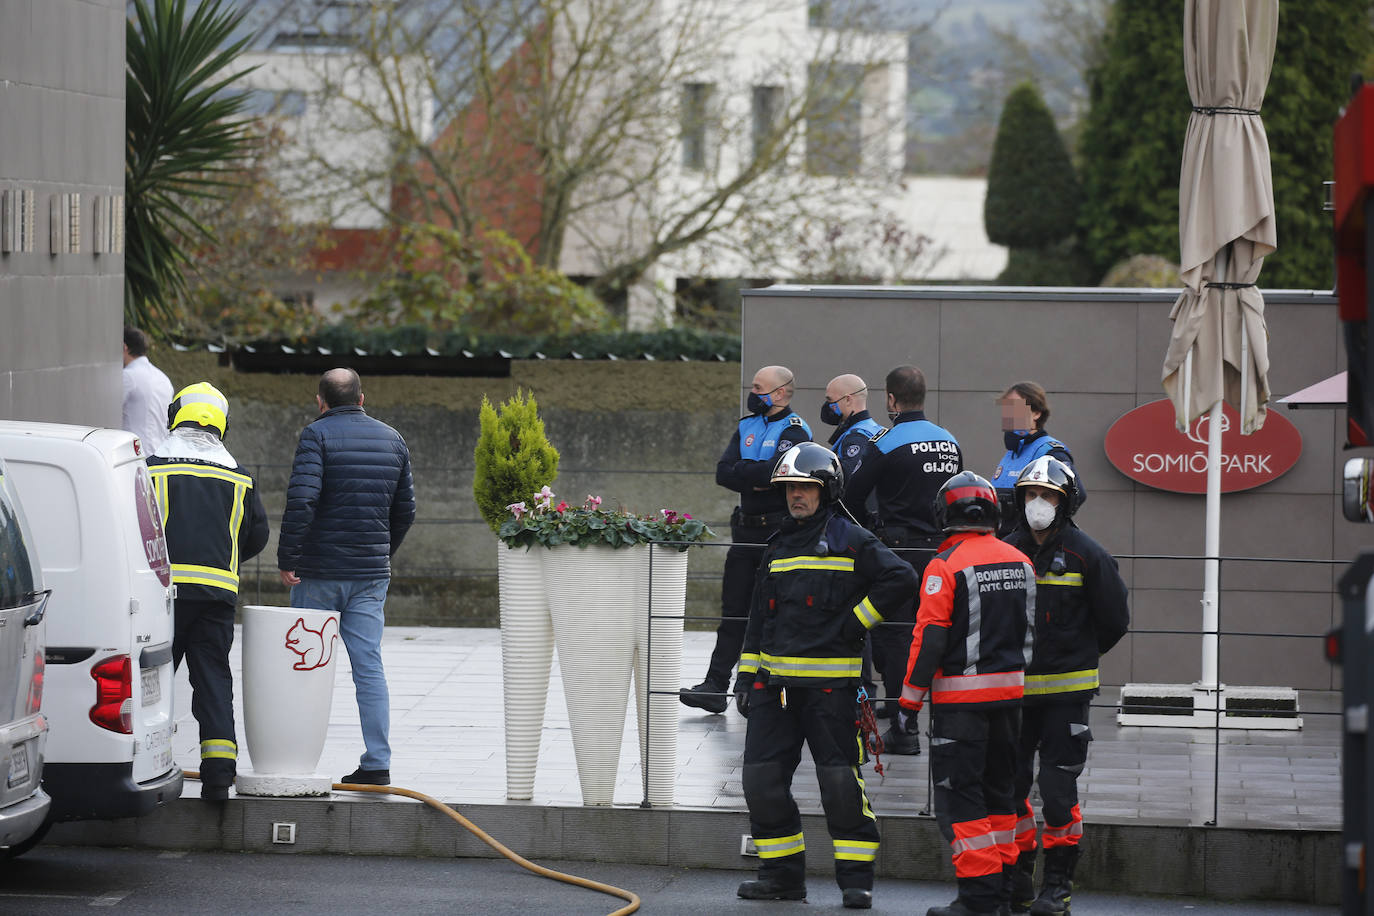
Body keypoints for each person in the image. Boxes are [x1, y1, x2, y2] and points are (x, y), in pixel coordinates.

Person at [732, 443, 916, 910]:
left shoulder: (851, 539)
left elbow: (901, 578)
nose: (796, 495)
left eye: (806, 487)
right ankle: (781, 876)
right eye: (791, 487)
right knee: (761, 783)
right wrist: (746, 679)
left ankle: (856, 880)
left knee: (838, 787)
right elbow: (758, 620)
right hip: (775, 692)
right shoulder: (776, 546)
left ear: (826, 490)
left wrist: (857, 622)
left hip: (831, 693)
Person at [900, 471, 1035, 916]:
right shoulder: (1021, 561)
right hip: (1011, 697)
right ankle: (1006, 891)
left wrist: (909, 700)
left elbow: (930, 638)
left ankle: (977, 898)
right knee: (1002, 796)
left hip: (962, 703)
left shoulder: (945, 566)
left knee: (962, 798)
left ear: (945, 514)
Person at [278, 368, 416, 786]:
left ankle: (291, 758)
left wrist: (288, 558)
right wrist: (378, 554)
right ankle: (377, 763)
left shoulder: (316, 436)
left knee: (304, 664)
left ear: (321, 401)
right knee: (369, 665)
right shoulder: (393, 439)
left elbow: (303, 500)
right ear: (361, 397)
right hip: (369, 575)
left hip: (317, 574)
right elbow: (405, 511)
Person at [1003, 457, 1129, 915]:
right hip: (1012, 695)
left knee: (1058, 793)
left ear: (1066, 501)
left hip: (1065, 697)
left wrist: (1075, 657)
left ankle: (1056, 886)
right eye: (1032, 495)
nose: (1039, 504)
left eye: (1049, 495)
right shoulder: (1005, 550)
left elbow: (1114, 621)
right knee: (1009, 789)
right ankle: (1017, 876)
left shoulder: (1088, 555)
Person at [147, 382, 269, 801]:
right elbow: (256, 536)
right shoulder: (239, 478)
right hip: (217, 596)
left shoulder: (151, 469)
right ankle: (219, 776)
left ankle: (149, 766)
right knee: (213, 679)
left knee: (155, 683)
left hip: (162, 597)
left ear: (174, 417)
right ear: (223, 425)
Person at [843, 365, 961, 753]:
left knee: (893, 635)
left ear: (891, 400)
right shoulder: (949, 441)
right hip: (943, 554)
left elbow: (850, 495)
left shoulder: (886, 441)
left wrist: (870, 532)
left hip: (897, 552)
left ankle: (903, 726)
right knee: (934, 633)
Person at [680, 365, 812, 714]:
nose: (753, 394)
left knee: (771, 612)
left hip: (775, 532)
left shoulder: (795, 429)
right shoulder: (746, 426)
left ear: (781, 392)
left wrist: (751, 474)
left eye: (759, 387)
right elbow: (724, 472)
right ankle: (714, 684)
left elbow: (776, 472)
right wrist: (753, 476)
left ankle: (756, 688)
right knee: (734, 611)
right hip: (744, 532)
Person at [990, 382, 1084, 537]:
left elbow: (1077, 494)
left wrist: (1040, 535)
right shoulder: (1012, 453)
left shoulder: (1049, 451)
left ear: (1036, 413)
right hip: (1004, 543)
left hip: (1030, 546)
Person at [122, 326, 174, 452]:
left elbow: (107, 412)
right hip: (162, 455)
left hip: (135, 456)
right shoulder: (164, 379)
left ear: (124, 347)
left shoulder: (127, 376)